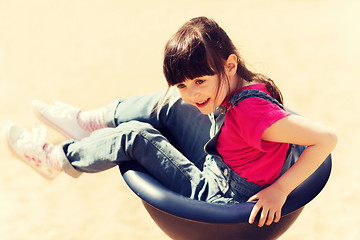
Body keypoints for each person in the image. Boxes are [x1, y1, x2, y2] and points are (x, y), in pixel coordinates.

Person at [3, 16, 337, 227]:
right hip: (224, 163)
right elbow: (202, 98)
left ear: (230, 65)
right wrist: (193, 92)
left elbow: (325, 139)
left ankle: (56, 159)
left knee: (136, 137)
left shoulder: (252, 114)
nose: (192, 93)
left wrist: (280, 190)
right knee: (171, 106)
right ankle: (86, 122)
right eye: (182, 84)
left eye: (199, 82)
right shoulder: (237, 86)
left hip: (220, 195)